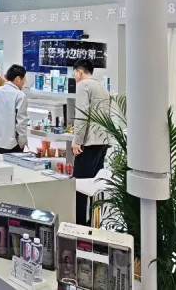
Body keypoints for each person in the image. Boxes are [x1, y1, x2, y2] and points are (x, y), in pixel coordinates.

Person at [72, 59, 111, 226]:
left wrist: (77, 141)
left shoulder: (83, 85)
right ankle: (94, 222)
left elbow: (82, 114)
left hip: (88, 142)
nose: (74, 78)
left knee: (79, 185)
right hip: (103, 141)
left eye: (74, 74)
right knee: (95, 185)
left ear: (80, 72)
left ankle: (79, 224)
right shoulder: (102, 86)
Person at [0, 65, 29, 154]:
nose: (25, 82)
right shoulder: (20, 95)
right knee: (12, 163)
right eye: (24, 79)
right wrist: (22, 139)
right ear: (18, 79)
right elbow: (21, 121)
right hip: (12, 143)